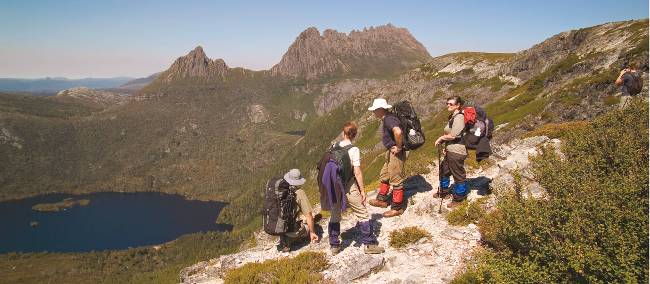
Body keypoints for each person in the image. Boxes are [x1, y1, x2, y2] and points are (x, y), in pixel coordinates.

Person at [326, 121, 385, 255]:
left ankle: (334, 245)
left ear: (343, 133)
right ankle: (369, 245)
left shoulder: (334, 146)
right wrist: (362, 191)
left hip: (335, 186)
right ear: (355, 135)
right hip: (348, 185)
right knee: (362, 213)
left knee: (335, 214)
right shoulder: (354, 150)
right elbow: (357, 172)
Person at [367, 98, 407, 217]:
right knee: (385, 174)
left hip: (396, 153)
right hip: (391, 151)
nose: (373, 112)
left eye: (375, 110)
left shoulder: (389, 119)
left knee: (396, 179)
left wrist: (398, 147)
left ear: (380, 110)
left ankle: (397, 208)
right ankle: (382, 200)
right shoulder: (389, 118)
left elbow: (398, 132)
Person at [434, 96, 469, 208]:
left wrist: (441, 138)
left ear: (458, 105)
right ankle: (444, 191)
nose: (448, 105)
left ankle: (459, 199)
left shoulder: (459, 117)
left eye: (451, 104)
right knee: (444, 170)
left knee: (458, 174)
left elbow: (454, 135)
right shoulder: (453, 116)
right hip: (451, 150)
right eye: (447, 103)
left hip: (457, 151)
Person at [278, 169, 319, 252]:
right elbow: (309, 216)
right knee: (309, 226)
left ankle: (284, 239)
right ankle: (291, 238)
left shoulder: (279, 191)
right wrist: (312, 232)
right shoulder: (299, 193)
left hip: (278, 229)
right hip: (291, 232)